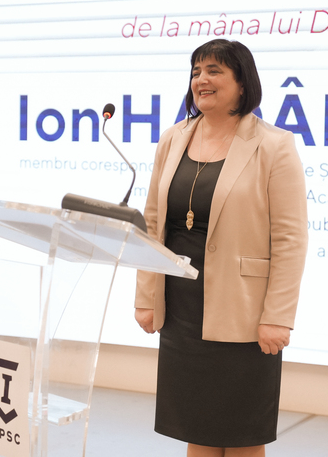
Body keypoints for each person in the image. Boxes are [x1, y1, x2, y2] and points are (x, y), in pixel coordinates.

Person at [134, 39, 308, 456]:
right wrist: (146, 296)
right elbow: (153, 224)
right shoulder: (173, 139)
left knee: (242, 432)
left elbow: (290, 238)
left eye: (214, 71)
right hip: (182, 307)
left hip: (243, 310)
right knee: (198, 427)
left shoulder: (274, 145)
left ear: (242, 83)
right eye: (196, 71)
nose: (202, 79)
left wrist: (278, 316)